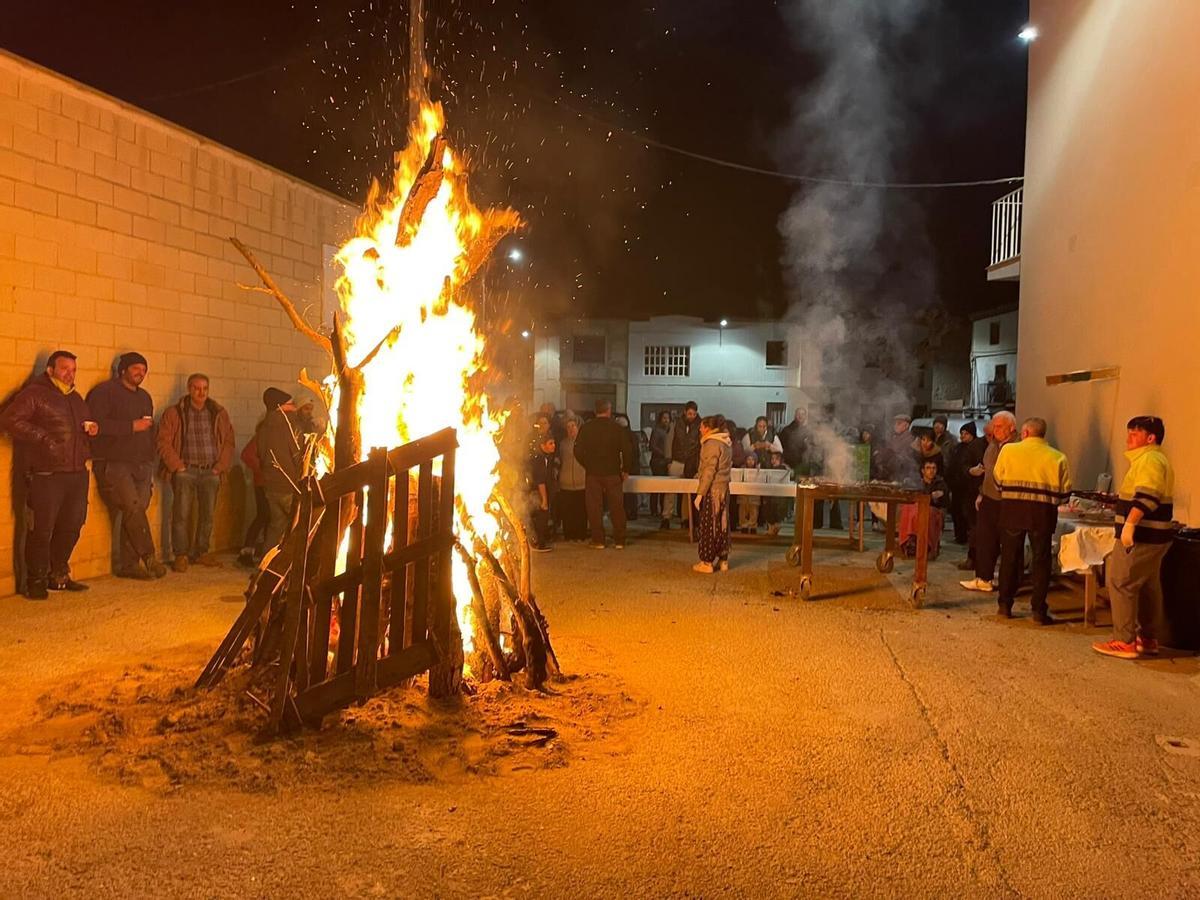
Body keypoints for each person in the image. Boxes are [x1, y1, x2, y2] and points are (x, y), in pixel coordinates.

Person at [0, 350, 96, 598]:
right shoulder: (35, 393)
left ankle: (59, 573)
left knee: (72, 525)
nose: (70, 374)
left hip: (76, 472)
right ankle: (36, 579)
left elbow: (80, 429)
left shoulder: (75, 399)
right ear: (50, 370)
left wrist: (91, 432)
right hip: (45, 473)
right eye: (65, 368)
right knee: (41, 529)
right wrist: (42, 438)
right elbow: (9, 420)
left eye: (73, 370)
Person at [1094, 416, 1175, 659]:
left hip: (1142, 535)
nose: (1128, 437)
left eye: (1135, 433)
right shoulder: (1155, 459)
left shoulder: (1149, 460)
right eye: (1128, 432)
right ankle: (1148, 638)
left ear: (1151, 438)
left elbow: (1148, 496)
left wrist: (1129, 525)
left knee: (1121, 582)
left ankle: (1124, 641)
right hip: (1155, 535)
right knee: (1148, 585)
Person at [87, 352, 166, 580]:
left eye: (144, 369)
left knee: (136, 510)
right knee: (132, 507)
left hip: (141, 463)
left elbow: (148, 428)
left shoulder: (145, 397)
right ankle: (149, 557)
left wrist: (150, 457)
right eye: (135, 368)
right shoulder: (104, 392)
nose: (140, 373)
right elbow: (95, 426)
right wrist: (130, 426)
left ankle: (129, 565)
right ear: (122, 370)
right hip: (115, 461)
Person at [992, 417, 1071, 622]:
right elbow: (1064, 495)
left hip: (1012, 511)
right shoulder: (1058, 457)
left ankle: (1004, 605)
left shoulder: (1008, 451)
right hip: (1042, 514)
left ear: (1025, 433)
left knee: (1009, 558)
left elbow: (997, 481)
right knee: (1041, 561)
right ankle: (1038, 610)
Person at [156, 373, 235, 572]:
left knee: (207, 515)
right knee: (181, 514)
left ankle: (201, 552)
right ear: (189, 389)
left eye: (205, 388)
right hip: (185, 470)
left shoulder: (218, 413)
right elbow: (163, 441)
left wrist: (219, 467)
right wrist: (177, 466)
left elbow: (228, 441)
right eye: (197, 388)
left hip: (210, 470)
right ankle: (181, 555)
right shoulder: (175, 413)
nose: (201, 393)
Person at [960, 411, 1016, 593]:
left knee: (1008, 544)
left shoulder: (1015, 447)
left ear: (1011, 428)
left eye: (999, 426)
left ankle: (1011, 583)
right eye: (994, 425)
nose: (995, 429)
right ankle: (984, 578)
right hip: (989, 498)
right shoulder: (992, 445)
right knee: (985, 539)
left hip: (1007, 500)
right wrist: (981, 493)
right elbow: (988, 473)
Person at [574, 398, 629, 549]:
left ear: (595, 411)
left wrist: (587, 464)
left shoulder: (586, 428)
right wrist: (625, 469)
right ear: (609, 410)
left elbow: (577, 450)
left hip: (593, 473)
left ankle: (598, 540)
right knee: (617, 506)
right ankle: (620, 540)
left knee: (594, 507)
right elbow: (627, 449)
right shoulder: (617, 428)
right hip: (613, 472)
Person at [257, 387, 304, 552]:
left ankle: (267, 561)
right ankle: (293, 562)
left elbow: (261, 454)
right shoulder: (290, 426)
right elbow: (298, 456)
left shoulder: (262, 427)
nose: (294, 408)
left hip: (271, 486)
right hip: (289, 486)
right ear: (280, 407)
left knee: (276, 526)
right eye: (291, 404)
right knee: (299, 526)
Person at [693, 414, 733, 573]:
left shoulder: (711, 443)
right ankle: (723, 560)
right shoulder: (725, 441)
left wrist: (700, 494)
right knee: (723, 524)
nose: (700, 429)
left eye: (702, 427)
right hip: (724, 488)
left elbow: (709, 470)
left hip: (713, 490)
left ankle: (707, 562)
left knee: (709, 525)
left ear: (708, 428)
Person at [948, 422, 985, 559]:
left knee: (969, 515)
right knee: (957, 511)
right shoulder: (958, 448)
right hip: (957, 485)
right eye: (962, 433)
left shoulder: (976, 448)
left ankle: (970, 541)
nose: (963, 436)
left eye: (966, 433)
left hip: (970, 487)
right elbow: (953, 465)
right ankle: (960, 535)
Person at [236, 419, 270, 567]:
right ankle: (247, 551)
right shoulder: (262, 436)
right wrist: (263, 471)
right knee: (264, 516)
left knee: (268, 517)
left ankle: (259, 552)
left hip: (269, 483)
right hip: (263, 484)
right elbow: (247, 455)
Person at [899, 459, 948, 559]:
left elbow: (943, 501)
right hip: (917, 509)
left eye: (934, 468)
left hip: (934, 511)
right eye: (928, 468)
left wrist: (933, 498)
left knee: (926, 512)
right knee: (907, 508)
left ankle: (927, 545)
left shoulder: (940, 484)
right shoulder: (917, 483)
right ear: (923, 471)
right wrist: (930, 496)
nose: (931, 471)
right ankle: (909, 540)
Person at [661, 401, 699, 528]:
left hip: (691, 463)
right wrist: (668, 460)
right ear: (685, 412)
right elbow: (669, 441)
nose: (692, 416)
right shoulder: (676, 423)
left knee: (687, 493)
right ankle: (666, 517)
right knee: (670, 491)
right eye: (690, 413)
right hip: (676, 461)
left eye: (694, 414)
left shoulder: (699, 425)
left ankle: (685, 519)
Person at [557, 416, 589, 541]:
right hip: (566, 483)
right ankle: (569, 534)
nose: (570, 429)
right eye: (568, 427)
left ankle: (581, 534)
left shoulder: (584, 443)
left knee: (581, 511)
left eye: (573, 426)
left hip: (582, 482)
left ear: (578, 427)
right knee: (568, 511)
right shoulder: (562, 444)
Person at [528, 433, 558, 552]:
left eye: (554, 443)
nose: (554, 445)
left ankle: (541, 541)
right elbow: (541, 481)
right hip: (539, 494)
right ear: (542, 446)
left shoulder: (548, 458)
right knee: (541, 518)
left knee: (543, 518)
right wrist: (544, 500)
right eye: (550, 443)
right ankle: (539, 543)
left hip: (544, 492)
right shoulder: (540, 460)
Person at [614, 413, 641, 521]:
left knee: (625, 492)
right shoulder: (633, 435)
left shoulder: (621, 436)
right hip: (633, 467)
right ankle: (631, 512)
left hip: (627, 467)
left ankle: (626, 512)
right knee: (631, 492)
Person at [648, 410, 672, 521]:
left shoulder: (669, 431)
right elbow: (652, 446)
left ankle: (663, 509)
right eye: (664, 418)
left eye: (668, 418)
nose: (666, 420)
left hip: (666, 462)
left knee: (664, 488)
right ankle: (654, 510)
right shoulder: (657, 431)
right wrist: (665, 454)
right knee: (656, 487)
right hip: (658, 462)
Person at [778, 407, 811, 472]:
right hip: (788, 464)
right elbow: (780, 448)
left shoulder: (808, 431)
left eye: (803, 414)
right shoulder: (786, 430)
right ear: (795, 415)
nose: (800, 416)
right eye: (798, 414)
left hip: (803, 465)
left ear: (805, 417)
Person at [737, 452, 761, 534]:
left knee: (754, 511)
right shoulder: (742, 469)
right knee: (742, 510)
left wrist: (758, 471)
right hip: (743, 494)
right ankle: (743, 525)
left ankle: (753, 526)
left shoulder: (758, 470)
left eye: (752, 460)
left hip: (754, 494)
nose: (750, 461)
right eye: (748, 459)